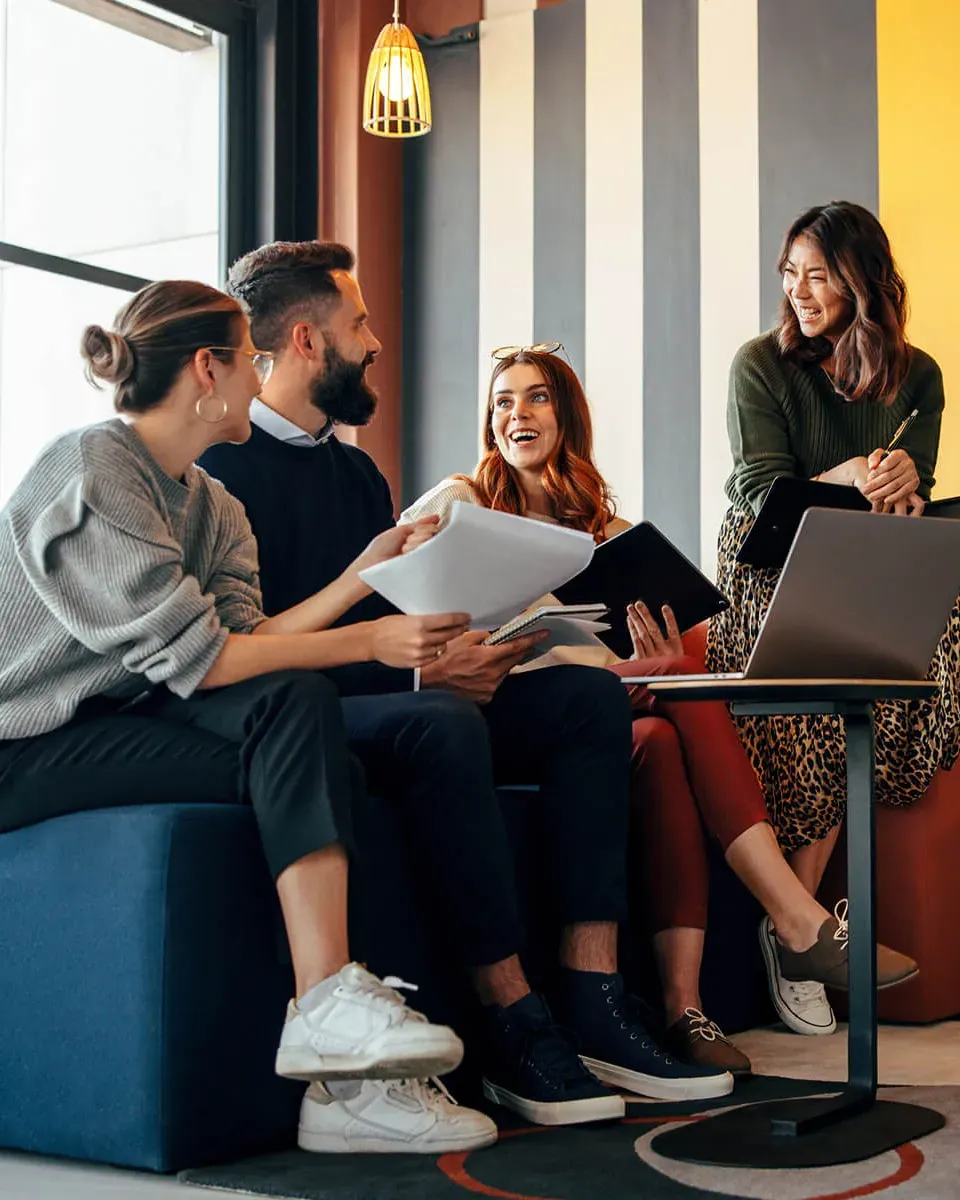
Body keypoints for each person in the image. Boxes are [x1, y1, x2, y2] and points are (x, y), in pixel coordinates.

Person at [198, 241, 737, 1136]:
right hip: (305, 714)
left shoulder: (358, 472)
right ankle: (512, 1025)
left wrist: (467, 651)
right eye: (360, 323)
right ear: (305, 339)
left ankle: (595, 998)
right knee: (443, 723)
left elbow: (410, 604)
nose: (375, 342)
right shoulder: (224, 473)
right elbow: (256, 650)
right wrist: (420, 671)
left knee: (587, 704)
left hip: (403, 685)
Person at [0, 279, 505, 1155]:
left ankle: (346, 1086)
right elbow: (210, 662)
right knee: (299, 712)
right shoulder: (93, 469)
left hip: (114, 721)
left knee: (326, 755)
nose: (262, 375)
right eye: (251, 358)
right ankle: (325, 1013)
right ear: (210, 368)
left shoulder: (213, 504)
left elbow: (246, 638)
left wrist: (363, 576)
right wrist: (371, 641)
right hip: (23, 745)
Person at [401, 342, 917, 1070]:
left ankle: (685, 1009)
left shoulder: (610, 536)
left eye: (537, 396)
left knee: (672, 710)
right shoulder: (463, 501)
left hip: (600, 716)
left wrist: (661, 655)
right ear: (490, 425)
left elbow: (626, 662)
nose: (517, 412)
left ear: (567, 416)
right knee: (663, 695)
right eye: (503, 401)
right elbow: (399, 586)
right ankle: (796, 921)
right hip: (497, 707)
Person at [707, 200, 957, 1033]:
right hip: (769, 567)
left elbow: (912, 484)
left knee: (920, 636)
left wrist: (899, 487)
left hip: (861, 562)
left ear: (861, 281)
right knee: (826, 683)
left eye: (818, 275)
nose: (799, 290)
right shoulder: (760, 364)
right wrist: (847, 472)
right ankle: (802, 927)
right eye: (791, 274)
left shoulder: (918, 375)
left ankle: (795, 929)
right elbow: (755, 493)